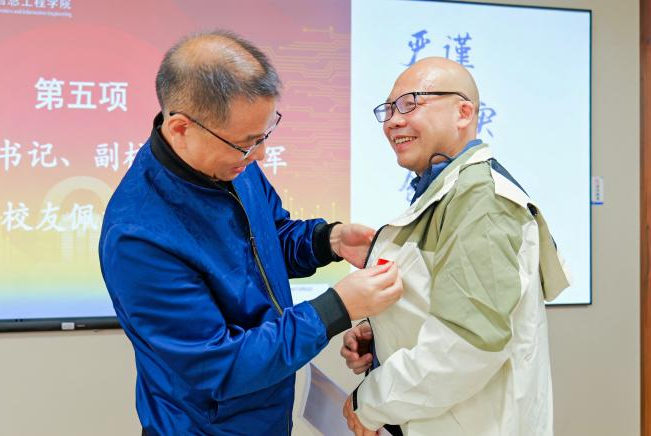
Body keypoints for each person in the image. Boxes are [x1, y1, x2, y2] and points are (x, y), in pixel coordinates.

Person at [98, 30, 403, 436]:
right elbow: (221, 367)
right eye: (247, 143)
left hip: (267, 416)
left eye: (264, 136)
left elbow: (267, 240)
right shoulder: (138, 237)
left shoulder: (229, 162)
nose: (259, 154)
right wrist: (335, 308)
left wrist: (326, 241)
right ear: (181, 129)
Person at [340, 57, 571, 436]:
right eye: (388, 109)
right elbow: (440, 295)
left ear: (463, 113)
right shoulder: (447, 189)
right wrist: (381, 331)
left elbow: (468, 344)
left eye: (409, 104)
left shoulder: (482, 201)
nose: (392, 121)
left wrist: (371, 402)